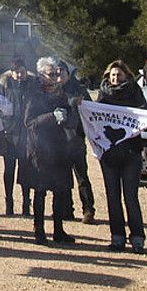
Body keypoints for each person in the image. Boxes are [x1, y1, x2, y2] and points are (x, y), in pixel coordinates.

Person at [95, 60, 147, 253]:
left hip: (131, 153)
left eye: (118, 75)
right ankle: (117, 237)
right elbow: (94, 118)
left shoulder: (134, 92)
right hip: (109, 154)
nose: (115, 78)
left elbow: (144, 117)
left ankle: (137, 238)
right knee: (113, 197)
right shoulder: (103, 94)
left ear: (126, 76)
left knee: (131, 197)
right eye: (112, 75)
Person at [22, 56, 77, 245]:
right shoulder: (33, 94)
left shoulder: (61, 94)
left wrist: (68, 117)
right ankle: (39, 230)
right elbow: (29, 122)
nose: (55, 77)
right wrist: (51, 117)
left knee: (60, 191)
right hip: (40, 150)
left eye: (57, 74)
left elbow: (71, 121)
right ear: (41, 75)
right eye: (50, 74)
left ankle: (58, 229)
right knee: (40, 191)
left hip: (59, 148)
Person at [61, 64, 96, 224]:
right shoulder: (52, 89)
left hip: (76, 139)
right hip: (59, 140)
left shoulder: (78, 90)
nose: (59, 75)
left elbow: (90, 111)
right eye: (56, 72)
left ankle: (88, 209)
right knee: (63, 178)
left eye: (62, 72)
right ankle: (67, 209)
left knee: (81, 176)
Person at [0, 58, 32, 217]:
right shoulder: (5, 85)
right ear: (11, 73)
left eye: (22, 71)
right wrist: (4, 126)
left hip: (26, 134)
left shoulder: (31, 85)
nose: (20, 74)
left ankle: (26, 202)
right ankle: (9, 202)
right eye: (17, 71)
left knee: (25, 169)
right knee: (9, 169)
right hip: (10, 134)